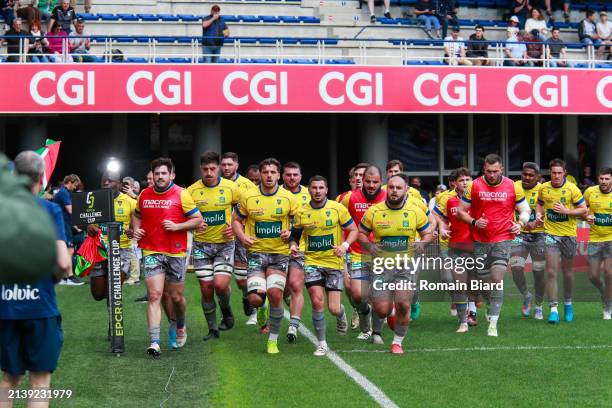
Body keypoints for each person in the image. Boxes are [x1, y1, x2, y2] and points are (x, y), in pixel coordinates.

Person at [1, 151, 70, 408]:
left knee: (9, 380)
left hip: (6, 307)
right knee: (40, 382)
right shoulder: (49, 210)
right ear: (41, 178)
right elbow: (63, 262)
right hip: (39, 306)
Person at [131, 157, 203, 357]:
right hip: (152, 250)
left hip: (175, 252)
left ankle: (179, 324)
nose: (160, 177)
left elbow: (198, 220)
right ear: (152, 176)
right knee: (155, 295)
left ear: (172, 175)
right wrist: (136, 230)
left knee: (176, 297)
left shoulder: (182, 194)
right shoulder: (144, 194)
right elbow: (137, 215)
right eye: (157, 174)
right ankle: (154, 342)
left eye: (164, 173)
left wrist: (178, 226)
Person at [359, 173, 434, 354]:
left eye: (398, 188)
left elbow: (428, 233)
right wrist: (369, 245)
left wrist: (422, 243)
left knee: (404, 304)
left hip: (405, 266)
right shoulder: (374, 211)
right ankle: (389, 311)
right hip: (381, 266)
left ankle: (397, 342)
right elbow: (361, 233)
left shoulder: (415, 211)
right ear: (386, 188)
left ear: (406, 190)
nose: (394, 191)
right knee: (382, 310)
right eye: (391, 187)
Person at [231, 158, 299, 354]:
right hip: (256, 254)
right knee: (254, 299)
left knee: (276, 294)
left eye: (273, 172)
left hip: (279, 254)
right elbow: (236, 220)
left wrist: (291, 233)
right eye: (265, 172)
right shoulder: (248, 197)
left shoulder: (289, 198)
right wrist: (242, 237)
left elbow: (299, 223)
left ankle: (273, 340)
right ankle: (261, 307)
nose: (269, 175)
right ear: (260, 174)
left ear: (279, 175)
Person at [457, 154, 530, 337]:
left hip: (503, 238)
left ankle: (493, 324)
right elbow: (460, 212)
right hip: (480, 240)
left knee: (497, 278)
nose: (491, 175)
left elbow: (526, 210)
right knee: (483, 281)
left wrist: (520, 223)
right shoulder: (473, 186)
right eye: (488, 171)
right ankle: (490, 302)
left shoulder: (513, 186)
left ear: (502, 170)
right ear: (484, 170)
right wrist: (474, 222)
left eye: (495, 171)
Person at [289, 175, 357, 356]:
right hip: (312, 262)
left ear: (326, 190)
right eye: (314, 188)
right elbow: (294, 234)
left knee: (333, 308)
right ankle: (322, 343)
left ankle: (341, 314)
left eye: (321, 188)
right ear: (309, 190)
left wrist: (344, 246)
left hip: (334, 262)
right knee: (317, 302)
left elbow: (353, 230)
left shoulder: (337, 209)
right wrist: (293, 245)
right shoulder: (302, 211)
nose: (317, 191)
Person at [187, 152, 240, 341]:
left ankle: (226, 309)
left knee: (220, 284)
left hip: (225, 245)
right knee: (207, 288)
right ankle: (213, 328)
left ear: (218, 168)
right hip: (201, 246)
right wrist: (194, 222)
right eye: (205, 169)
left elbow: (244, 212)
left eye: (212, 169)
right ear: (200, 169)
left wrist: (234, 228)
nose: (209, 172)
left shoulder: (231, 188)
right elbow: (184, 215)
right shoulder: (192, 191)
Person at [535, 158, 587, 324]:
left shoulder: (572, 189)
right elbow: (539, 203)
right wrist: (538, 214)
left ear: (564, 173)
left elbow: (583, 210)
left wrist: (566, 211)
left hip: (569, 236)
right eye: (553, 173)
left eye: (559, 173)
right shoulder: (544, 188)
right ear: (549, 173)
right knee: (551, 272)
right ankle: (553, 309)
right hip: (550, 234)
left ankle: (568, 303)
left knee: (568, 273)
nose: (556, 176)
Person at [340, 165, 387, 340]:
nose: (371, 185)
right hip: (357, 253)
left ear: (381, 182)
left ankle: (375, 333)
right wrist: (343, 245)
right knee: (358, 295)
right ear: (362, 181)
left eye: (375, 182)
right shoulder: (350, 199)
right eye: (368, 181)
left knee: (378, 297)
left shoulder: (389, 197)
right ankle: (364, 313)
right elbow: (340, 222)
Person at [219, 152, 258, 325]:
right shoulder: (215, 183)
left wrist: (238, 229)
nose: (226, 167)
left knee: (242, 280)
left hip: (241, 235)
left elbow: (256, 211)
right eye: (224, 164)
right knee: (219, 280)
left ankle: (247, 299)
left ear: (236, 165)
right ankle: (225, 312)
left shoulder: (247, 185)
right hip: (219, 238)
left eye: (229, 164)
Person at [86, 171, 136, 302]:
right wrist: (88, 226)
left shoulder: (130, 202)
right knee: (98, 294)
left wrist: (132, 230)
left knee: (113, 292)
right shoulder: (93, 199)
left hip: (121, 249)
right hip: (99, 249)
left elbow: (137, 225)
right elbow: (83, 221)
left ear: (119, 184)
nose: (106, 183)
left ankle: (113, 322)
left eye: (110, 180)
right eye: (103, 181)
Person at [435, 168, 474, 332]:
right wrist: (442, 229)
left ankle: (473, 309)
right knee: (454, 282)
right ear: (454, 183)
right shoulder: (448, 200)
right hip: (454, 247)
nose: (465, 182)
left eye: (467, 179)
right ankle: (464, 320)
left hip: (476, 246)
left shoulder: (477, 198)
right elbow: (438, 217)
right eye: (461, 180)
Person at [508, 162, 546, 320]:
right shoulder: (514, 186)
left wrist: (537, 222)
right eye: (525, 174)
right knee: (516, 269)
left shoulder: (543, 190)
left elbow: (549, 209)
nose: (527, 177)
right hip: (519, 234)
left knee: (539, 273)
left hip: (540, 235)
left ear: (538, 177)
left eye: (531, 175)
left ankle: (539, 306)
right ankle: (527, 296)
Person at [280, 161, 310, 343]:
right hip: (275, 248)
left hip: (300, 248)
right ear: (283, 176)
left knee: (296, 285)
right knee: (280, 289)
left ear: (300, 176)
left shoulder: (309, 194)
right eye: (288, 175)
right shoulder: (275, 193)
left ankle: (293, 326)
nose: (292, 178)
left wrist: (295, 234)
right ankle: (289, 303)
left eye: (295, 175)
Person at [583, 167, 612, 320]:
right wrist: (587, 216)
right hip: (594, 240)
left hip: (610, 240)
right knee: (593, 276)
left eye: (607, 179)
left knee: (609, 274)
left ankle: (607, 308)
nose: (604, 181)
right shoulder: (590, 192)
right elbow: (581, 210)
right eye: (601, 178)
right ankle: (603, 291)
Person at [52, 173, 83, 285]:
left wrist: (75, 226)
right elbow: (70, 211)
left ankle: (63, 278)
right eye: (75, 185)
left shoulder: (64, 192)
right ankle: (70, 278)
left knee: (65, 251)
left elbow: (67, 213)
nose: (75, 187)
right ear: (70, 182)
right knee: (69, 251)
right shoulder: (64, 193)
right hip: (62, 224)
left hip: (64, 224)